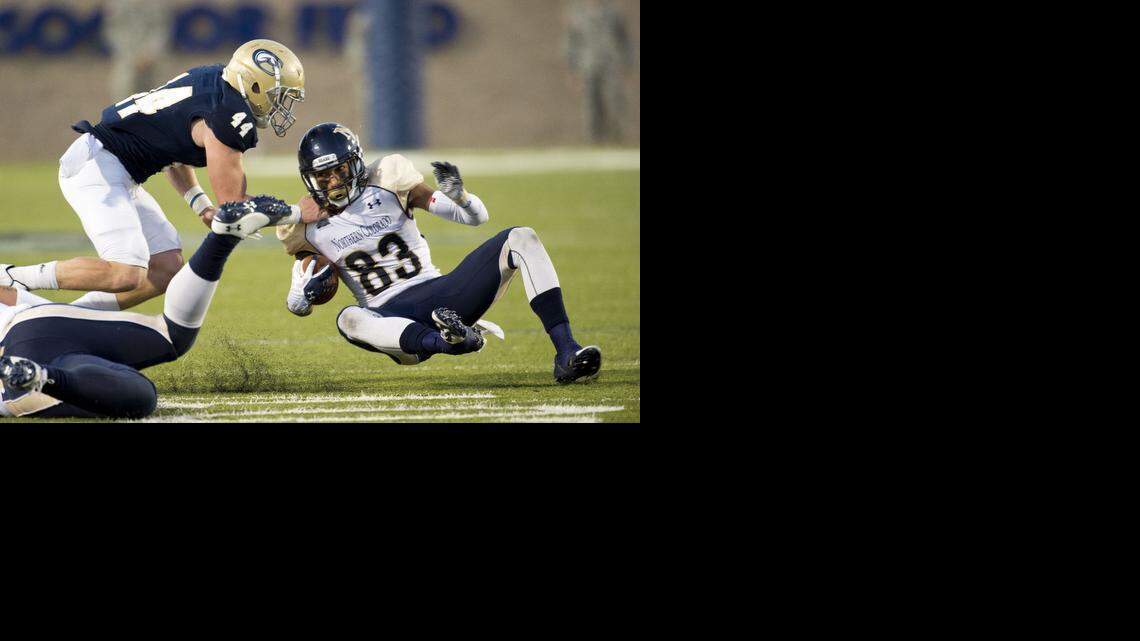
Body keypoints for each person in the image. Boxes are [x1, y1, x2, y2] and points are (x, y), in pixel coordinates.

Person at [2, 39, 313, 312]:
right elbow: (234, 207)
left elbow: (171, 148)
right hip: (98, 166)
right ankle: (9, 276)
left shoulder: (214, 81)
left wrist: (199, 204)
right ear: (253, 84)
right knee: (126, 272)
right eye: (277, 95)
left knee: (165, 267)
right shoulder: (229, 114)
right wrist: (297, 213)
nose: (278, 106)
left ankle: (67, 320)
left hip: (115, 166)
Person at [278, 123, 602, 384]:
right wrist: (304, 293)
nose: (333, 182)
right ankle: (452, 342)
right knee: (348, 318)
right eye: (323, 175)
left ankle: (567, 352)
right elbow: (299, 302)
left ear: (357, 164)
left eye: (340, 170)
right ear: (310, 179)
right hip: (390, 320)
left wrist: (461, 197)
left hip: (443, 297)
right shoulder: (304, 224)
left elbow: (475, 218)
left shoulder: (387, 179)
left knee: (522, 238)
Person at [0, 196, 295, 420]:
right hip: (43, 321)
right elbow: (15, 299)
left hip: (21, 358)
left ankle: (37, 376)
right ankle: (222, 235)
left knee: (141, 399)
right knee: (171, 335)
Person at [564, 0, 633, 143]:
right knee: (591, 105)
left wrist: (628, 64)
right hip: (588, 65)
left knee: (615, 101)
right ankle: (594, 141)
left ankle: (617, 138)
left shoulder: (613, 13)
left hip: (611, 64)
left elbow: (624, 40)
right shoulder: (577, 13)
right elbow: (571, 41)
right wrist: (572, 69)